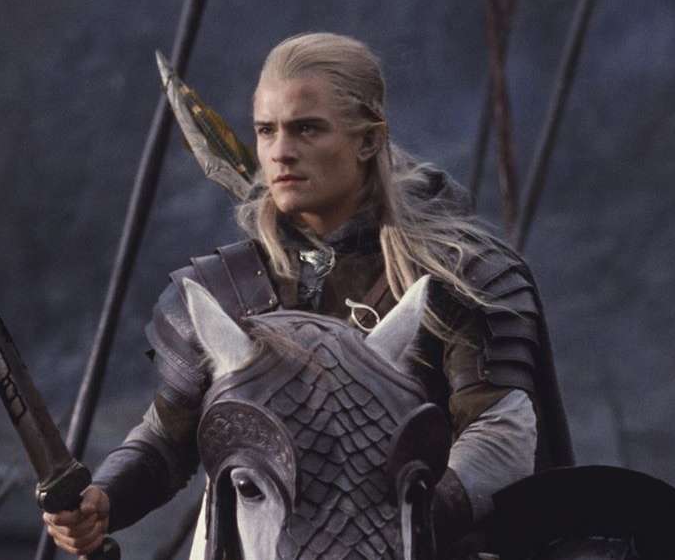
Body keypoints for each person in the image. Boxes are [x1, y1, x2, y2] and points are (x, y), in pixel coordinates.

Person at [43, 32, 572, 558]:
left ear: (369, 140)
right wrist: (104, 499)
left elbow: (499, 435)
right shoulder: (229, 291)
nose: (280, 152)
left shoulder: (459, 276)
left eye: (307, 129)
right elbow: (166, 441)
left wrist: (400, 521)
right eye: (266, 131)